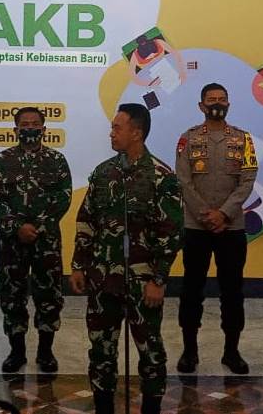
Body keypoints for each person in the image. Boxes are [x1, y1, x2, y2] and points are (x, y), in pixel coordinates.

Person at [69, 103, 183, 414]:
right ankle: (104, 406)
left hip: (143, 282)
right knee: (101, 350)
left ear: (137, 132)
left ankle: (151, 407)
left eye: (117, 128)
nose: (111, 133)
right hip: (103, 280)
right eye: (112, 127)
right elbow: (87, 220)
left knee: (150, 352)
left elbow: (170, 233)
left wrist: (159, 280)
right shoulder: (104, 172)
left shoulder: (161, 177)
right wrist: (79, 264)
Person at [175, 82, 258, 375]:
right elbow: (183, 180)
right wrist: (204, 214)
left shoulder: (243, 139)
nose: (217, 104)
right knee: (192, 290)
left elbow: (247, 180)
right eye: (211, 100)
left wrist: (223, 214)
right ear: (201, 106)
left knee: (232, 292)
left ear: (229, 104)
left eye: (222, 100)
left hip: (231, 227)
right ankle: (189, 351)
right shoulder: (187, 139)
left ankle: (231, 352)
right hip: (196, 227)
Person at [0, 106, 72, 373]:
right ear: (16, 129)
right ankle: (17, 351)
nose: (30, 128)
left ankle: (46, 352)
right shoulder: (2, 160)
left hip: (46, 242)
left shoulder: (56, 160)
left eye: (35, 123)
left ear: (44, 129)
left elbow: (63, 197)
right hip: (12, 242)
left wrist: (40, 226)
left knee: (49, 296)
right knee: (12, 296)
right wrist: (17, 227)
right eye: (24, 124)